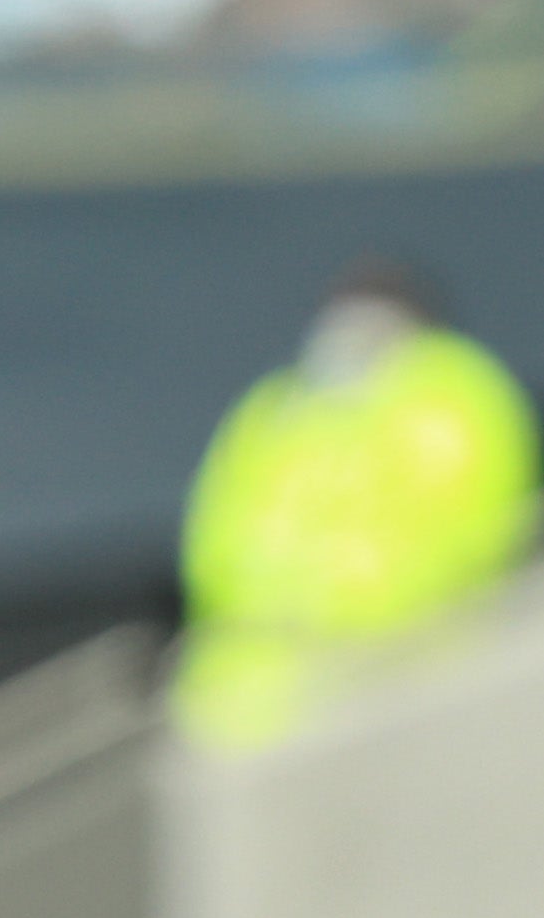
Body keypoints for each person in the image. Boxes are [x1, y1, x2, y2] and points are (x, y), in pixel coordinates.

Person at [173, 262, 537, 748]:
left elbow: (211, 549)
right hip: (373, 690)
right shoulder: (456, 390)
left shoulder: (275, 408)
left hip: (264, 700)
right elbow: (483, 534)